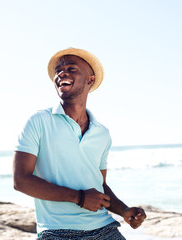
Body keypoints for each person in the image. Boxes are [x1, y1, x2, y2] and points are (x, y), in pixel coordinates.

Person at [13, 48, 146, 239]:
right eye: (59, 70)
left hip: (104, 228)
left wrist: (124, 210)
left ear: (90, 79)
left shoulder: (102, 133)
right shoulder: (39, 121)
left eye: (71, 68)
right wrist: (80, 197)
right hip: (56, 231)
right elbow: (21, 181)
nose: (62, 73)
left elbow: (99, 185)